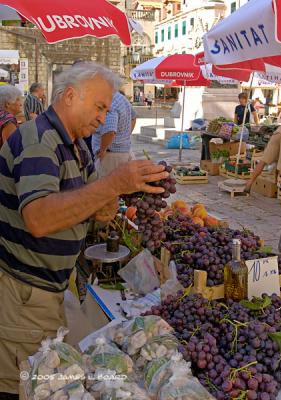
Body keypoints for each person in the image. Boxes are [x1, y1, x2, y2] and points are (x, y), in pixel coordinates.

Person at [0, 62, 168, 398]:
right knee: (24, 385)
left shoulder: (75, 144)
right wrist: (112, 185)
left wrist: (115, 196)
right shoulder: (39, 142)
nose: (104, 118)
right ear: (71, 96)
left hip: (46, 288)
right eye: (100, 106)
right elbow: (39, 218)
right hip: (23, 292)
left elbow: (90, 207)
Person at [92, 90, 137, 177]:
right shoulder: (121, 98)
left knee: (104, 188)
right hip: (123, 152)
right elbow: (134, 117)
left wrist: (102, 151)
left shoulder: (111, 101)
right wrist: (125, 136)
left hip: (110, 156)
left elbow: (110, 131)